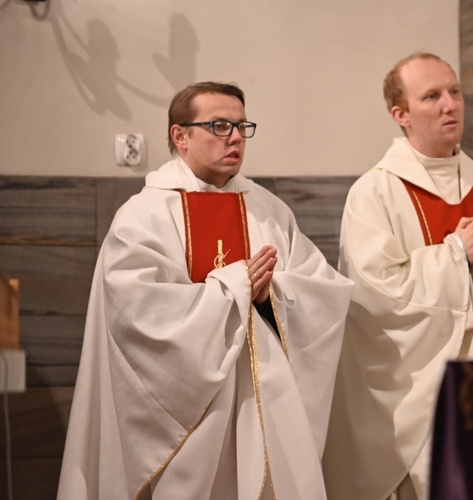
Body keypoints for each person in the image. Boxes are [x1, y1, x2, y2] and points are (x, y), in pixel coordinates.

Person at [57, 81, 353, 499]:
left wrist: (273, 296)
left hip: (260, 409)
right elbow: (133, 312)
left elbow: (322, 292)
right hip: (185, 423)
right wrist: (233, 286)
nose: (234, 137)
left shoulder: (267, 210)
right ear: (180, 136)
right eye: (218, 125)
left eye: (241, 126)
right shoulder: (143, 216)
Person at [322, 53, 473, 500]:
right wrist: (456, 256)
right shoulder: (373, 194)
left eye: (454, 92)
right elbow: (373, 295)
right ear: (400, 115)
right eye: (431, 96)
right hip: (412, 394)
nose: (450, 105)